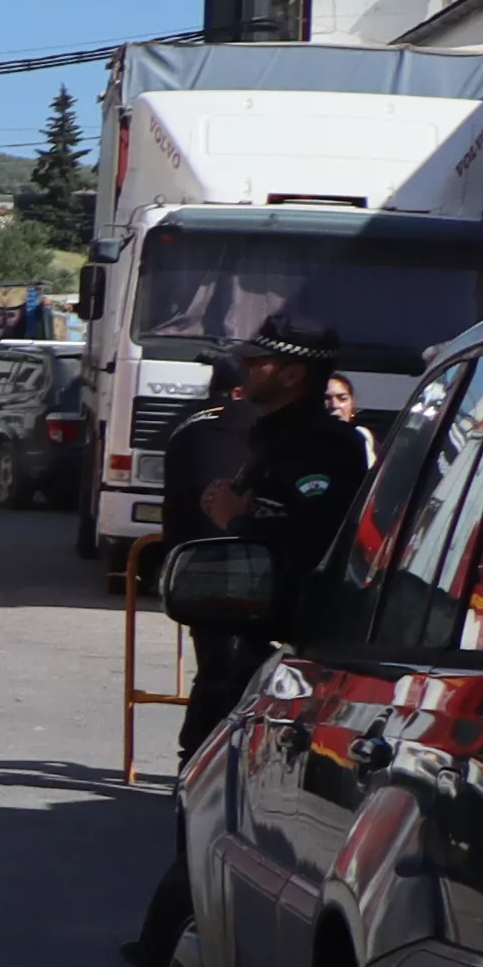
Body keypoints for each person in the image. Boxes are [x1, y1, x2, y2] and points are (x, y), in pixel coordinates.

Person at [158, 314, 372, 748]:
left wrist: (235, 520)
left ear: (292, 374)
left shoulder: (320, 445)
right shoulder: (272, 437)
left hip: (294, 649)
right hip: (258, 642)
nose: (246, 368)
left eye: (259, 361)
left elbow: (314, 542)